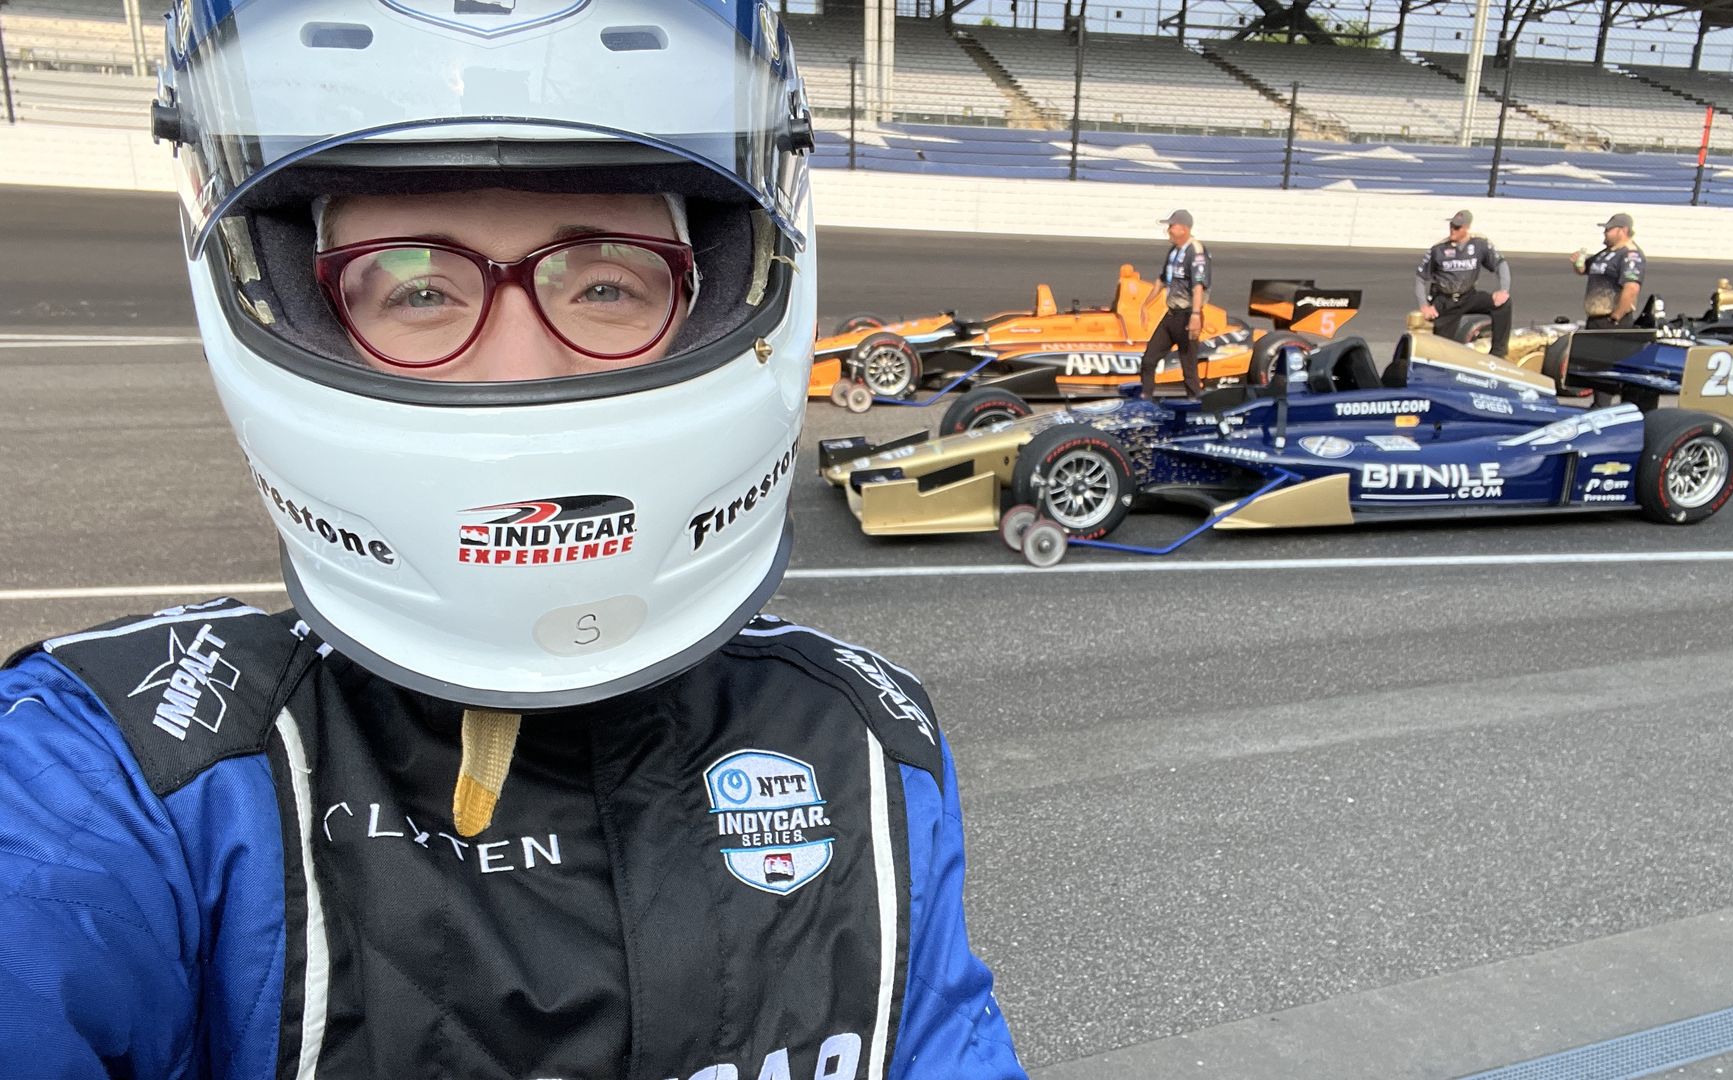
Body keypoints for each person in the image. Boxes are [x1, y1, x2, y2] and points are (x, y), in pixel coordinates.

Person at [0, 4, 1026, 1079]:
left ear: (717, 294)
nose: (520, 365)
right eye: (418, 290)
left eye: (604, 282)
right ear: (288, 307)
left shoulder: (865, 745)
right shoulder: (141, 779)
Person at [1416, 209, 1514, 357]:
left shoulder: (1479, 244)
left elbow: (1501, 264)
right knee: (1441, 350)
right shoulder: (1439, 249)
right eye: (1451, 226)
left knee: (1504, 304)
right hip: (1445, 301)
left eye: (1457, 227)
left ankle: (1498, 353)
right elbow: (1420, 278)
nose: (1452, 230)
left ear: (1467, 227)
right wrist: (1424, 306)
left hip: (1468, 296)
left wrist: (1504, 290)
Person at [1138, 208, 1211, 399]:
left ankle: (1196, 404)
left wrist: (1195, 315)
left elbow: (1198, 287)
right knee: (1149, 359)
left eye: (1172, 226)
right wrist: (1145, 305)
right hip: (1171, 315)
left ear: (1183, 228)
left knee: (1188, 367)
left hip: (1188, 316)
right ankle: (1146, 398)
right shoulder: (1173, 252)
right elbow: (1162, 280)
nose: (1168, 230)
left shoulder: (1196, 252)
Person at [1570, 213, 1646, 329]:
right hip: (1595, 319)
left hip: (1612, 321)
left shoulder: (1630, 254)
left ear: (1623, 230)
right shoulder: (1606, 253)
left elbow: (1631, 288)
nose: (1605, 232)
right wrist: (1577, 263)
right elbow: (1584, 269)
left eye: (1609, 229)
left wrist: (1616, 317)